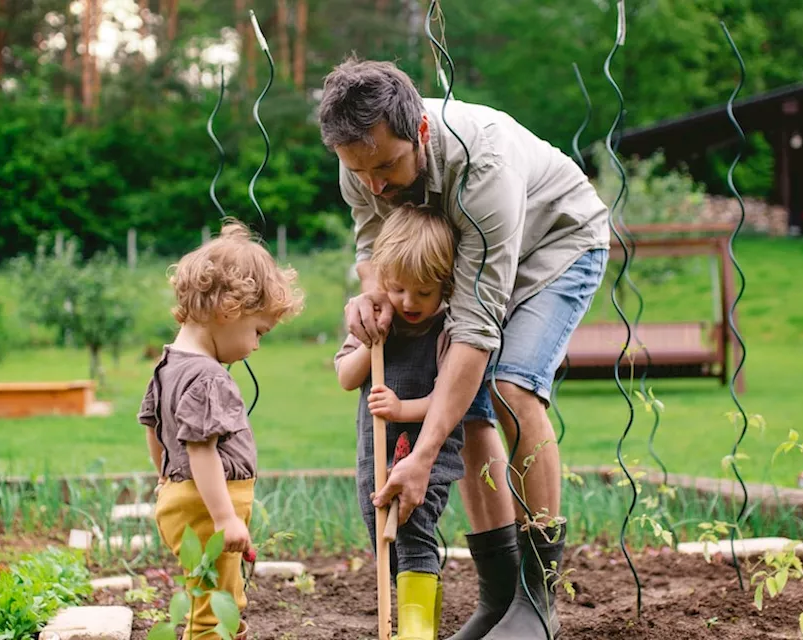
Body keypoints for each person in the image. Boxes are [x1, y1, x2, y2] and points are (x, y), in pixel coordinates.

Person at [318, 57, 610, 639]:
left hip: (555, 245)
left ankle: (537, 598)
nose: (374, 184)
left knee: (509, 386)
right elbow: (373, 241)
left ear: (420, 132)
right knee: (473, 415)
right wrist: (371, 296)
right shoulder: (364, 160)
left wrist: (421, 457)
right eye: (359, 171)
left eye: (386, 167)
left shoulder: (484, 169)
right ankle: (499, 598)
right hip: (461, 265)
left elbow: (476, 329)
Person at [140, 220, 304, 640]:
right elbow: (201, 450)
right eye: (258, 332)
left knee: (208, 593)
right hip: (209, 505)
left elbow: (154, 430)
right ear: (229, 311)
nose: (256, 346)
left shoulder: (167, 366)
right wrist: (225, 517)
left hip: (183, 497)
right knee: (216, 607)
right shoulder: (208, 376)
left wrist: (164, 479)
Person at [334, 204, 477, 640]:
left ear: (446, 287)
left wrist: (401, 410)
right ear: (383, 279)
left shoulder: (450, 331)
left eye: (424, 293)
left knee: (414, 532)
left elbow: (445, 399)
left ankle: (414, 632)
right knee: (383, 536)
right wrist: (368, 343)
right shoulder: (374, 320)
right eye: (398, 289)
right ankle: (424, 624)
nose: (409, 303)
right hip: (375, 454)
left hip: (426, 458)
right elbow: (345, 377)